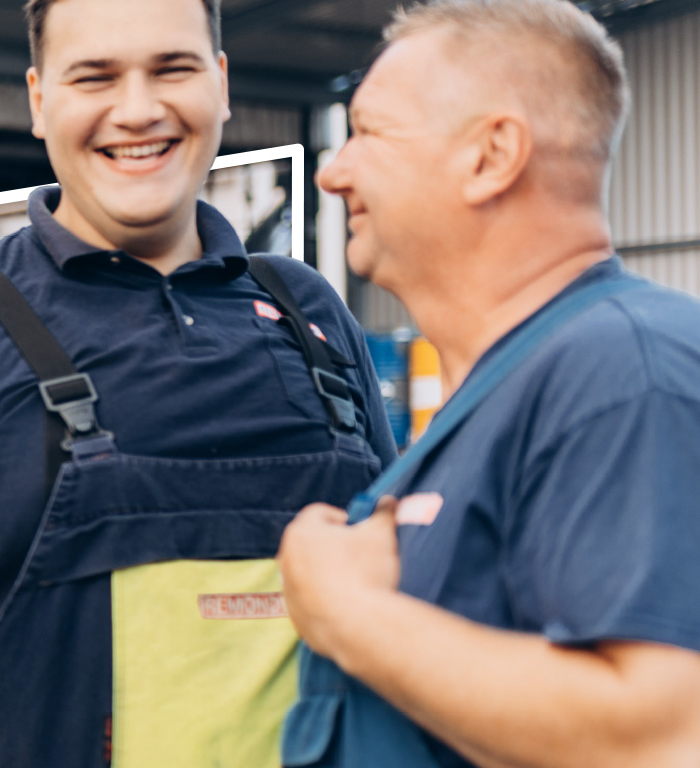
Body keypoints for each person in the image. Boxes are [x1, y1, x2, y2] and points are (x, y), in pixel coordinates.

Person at [0, 0, 398, 765]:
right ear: (39, 100)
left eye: (172, 68)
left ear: (220, 83)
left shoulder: (305, 306)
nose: (138, 109)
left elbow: (394, 591)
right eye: (95, 76)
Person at [277, 2, 700, 765]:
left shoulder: (626, 373)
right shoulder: (505, 392)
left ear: (491, 155)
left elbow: (662, 737)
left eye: (368, 133)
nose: (335, 173)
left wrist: (345, 611)